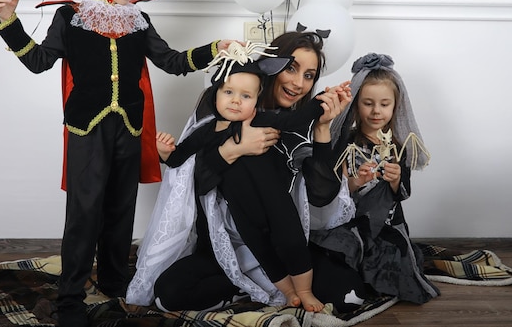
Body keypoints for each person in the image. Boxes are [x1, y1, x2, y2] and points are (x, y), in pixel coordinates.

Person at [0, 0, 234, 327]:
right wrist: (8, 20)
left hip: (130, 129)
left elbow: (171, 62)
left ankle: (113, 280)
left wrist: (215, 49)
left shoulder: (139, 19)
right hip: (87, 129)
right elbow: (38, 61)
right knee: (84, 212)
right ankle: (70, 297)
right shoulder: (69, 16)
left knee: (121, 209)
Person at [127, 32, 365, 313]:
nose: (298, 83)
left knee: (350, 295)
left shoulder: (296, 123)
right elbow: (193, 184)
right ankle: (246, 287)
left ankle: (285, 289)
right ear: (270, 68)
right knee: (169, 293)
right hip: (225, 242)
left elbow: (321, 196)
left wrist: (323, 127)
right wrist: (232, 150)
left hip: (284, 240)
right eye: (291, 68)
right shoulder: (220, 111)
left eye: (309, 75)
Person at [306, 52, 440, 304]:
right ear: (357, 103)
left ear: (395, 106)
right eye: (368, 103)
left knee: (397, 258)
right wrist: (355, 182)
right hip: (351, 221)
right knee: (337, 249)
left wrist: (395, 180)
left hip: (386, 226)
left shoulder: (399, 146)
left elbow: (403, 193)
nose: (376, 111)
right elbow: (333, 193)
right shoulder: (346, 143)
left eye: (384, 104)